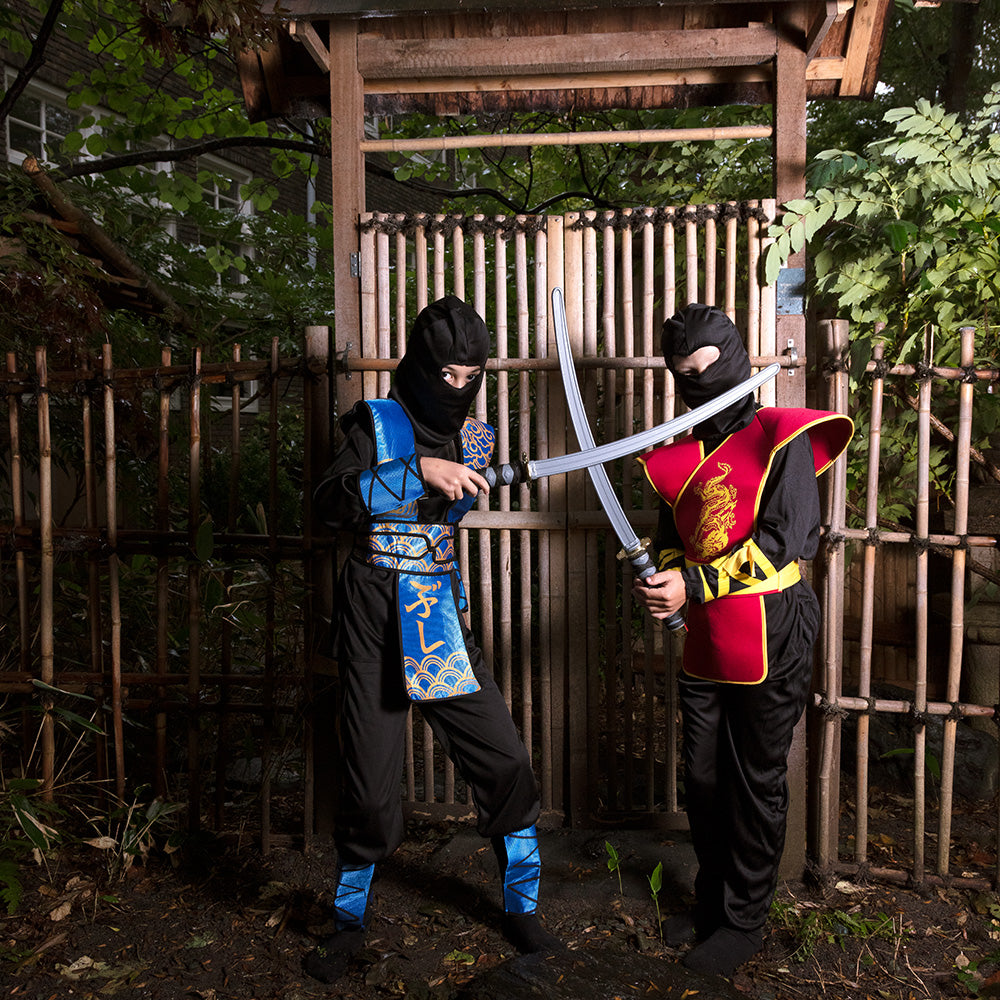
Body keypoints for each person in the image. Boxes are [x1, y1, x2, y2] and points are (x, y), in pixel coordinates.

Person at [306, 295, 559, 984]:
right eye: (446, 374)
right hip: (371, 613)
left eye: (470, 376)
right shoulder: (375, 422)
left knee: (505, 761)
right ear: (420, 367)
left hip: (436, 615)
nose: (457, 387)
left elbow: (443, 526)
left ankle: (521, 907)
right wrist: (416, 470)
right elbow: (327, 504)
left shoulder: (477, 439)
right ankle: (348, 925)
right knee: (369, 790)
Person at [632, 304, 853, 978]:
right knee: (702, 779)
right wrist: (661, 573)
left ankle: (743, 922)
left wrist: (690, 585)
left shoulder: (780, 439)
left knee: (755, 779)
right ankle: (712, 903)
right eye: (684, 374)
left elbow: (787, 542)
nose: (697, 383)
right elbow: (672, 539)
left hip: (773, 627)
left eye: (707, 369)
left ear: (732, 361)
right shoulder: (675, 457)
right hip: (706, 636)